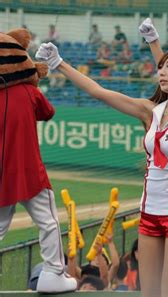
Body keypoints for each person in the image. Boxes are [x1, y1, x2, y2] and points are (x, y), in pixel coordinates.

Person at [36, 42, 168, 297]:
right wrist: (59, 63)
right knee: (149, 293)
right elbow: (99, 92)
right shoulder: (149, 111)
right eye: (160, 68)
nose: (161, 72)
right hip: (150, 211)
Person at [0, 28, 76, 294]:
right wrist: (33, 82)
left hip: (1, 176)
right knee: (48, 222)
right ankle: (54, 272)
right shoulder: (30, 93)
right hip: (29, 171)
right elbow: (48, 111)